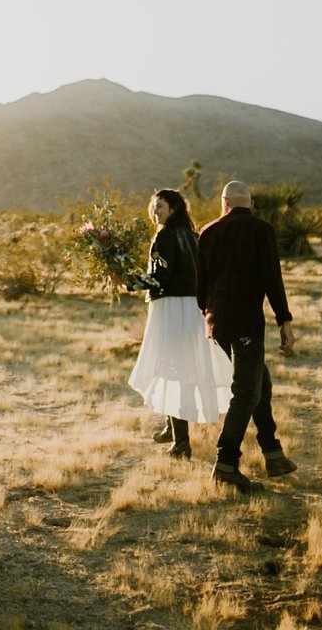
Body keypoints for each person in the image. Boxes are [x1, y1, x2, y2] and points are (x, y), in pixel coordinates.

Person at [197, 179, 297, 492]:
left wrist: (209, 314)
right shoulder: (261, 230)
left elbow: (200, 286)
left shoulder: (208, 231)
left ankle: (273, 453)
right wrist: (284, 321)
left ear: (224, 203)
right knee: (246, 392)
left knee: (259, 383)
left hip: (216, 325)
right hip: (246, 324)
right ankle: (226, 463)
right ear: (250, 204)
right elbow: (272, 279)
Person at [127, 188, 231, 459]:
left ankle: (181, 441)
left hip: (172, 308)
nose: (155, 211)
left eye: (160, 206)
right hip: (192, 308)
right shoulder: (192, 236)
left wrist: (126, 281)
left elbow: (159, 279)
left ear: (173, 209)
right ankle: (173, 428)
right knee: (180, 369)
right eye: (153, 206)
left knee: (171, 368)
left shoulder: (164, 236)